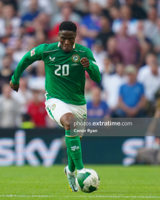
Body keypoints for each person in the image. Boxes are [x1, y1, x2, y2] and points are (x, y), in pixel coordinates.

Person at [9, 21, 101, 192]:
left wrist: (90, 67)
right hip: (55, 100)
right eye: (64, 38)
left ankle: (71, 170)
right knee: (70, 123)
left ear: (75, 37)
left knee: (76, 140)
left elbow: (97, 77)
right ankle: (81, 170)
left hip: (78, 103)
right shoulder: (47, 50)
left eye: (71, 39)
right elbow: (26, 59)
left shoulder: (84, 52)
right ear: (58, 36)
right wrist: (15, 79)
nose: (67, 42)